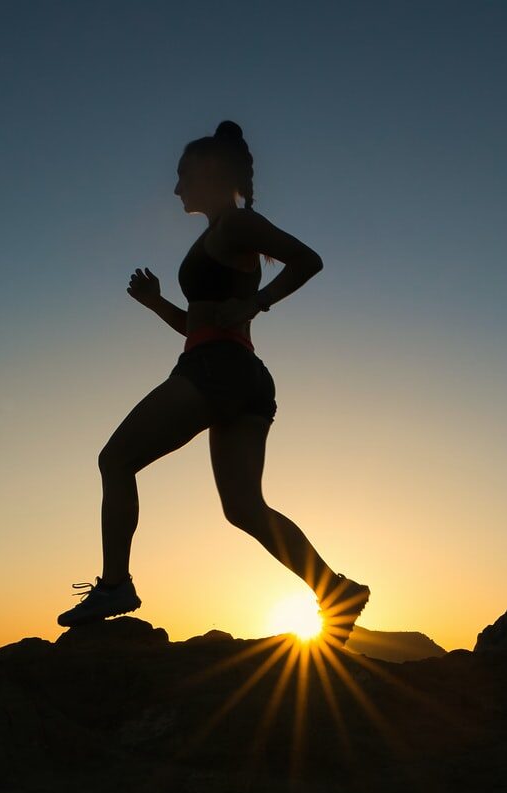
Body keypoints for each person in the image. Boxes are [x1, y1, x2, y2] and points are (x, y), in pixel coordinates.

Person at [57, 119, 371, 648]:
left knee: (115, 460)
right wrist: (158, 304)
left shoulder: (233, 226)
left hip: (216, 369)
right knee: (244, 507)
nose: (176, 187)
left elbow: (308, 260)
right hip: (240, 374)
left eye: (183, 175)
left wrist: (258, 301)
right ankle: (335, 590)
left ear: (208, 172)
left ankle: (115, 586)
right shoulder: (218, 233)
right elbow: (200, 324)